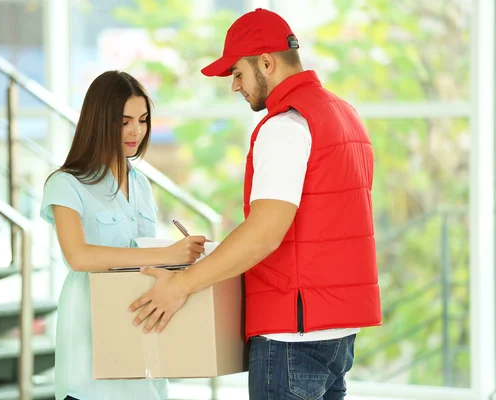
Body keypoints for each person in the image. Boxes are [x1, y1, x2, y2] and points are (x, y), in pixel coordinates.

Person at [129, 9, 382, 400]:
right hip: (338, 333)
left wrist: (179, 286)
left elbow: (264, 233)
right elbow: (322, 223)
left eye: (238, 73)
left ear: (267, 61)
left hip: (291, 336)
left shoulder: (286, 126)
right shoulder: (344, 116)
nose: (234, 86)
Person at [40, 70, 206, 400]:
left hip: (141, 330)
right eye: (124, 121)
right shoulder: (65, 184)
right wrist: (167, 254)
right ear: (100, 121)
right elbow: (79, 256)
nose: (136, 131)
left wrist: (185, 258)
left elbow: (141, 253)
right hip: (89, 340)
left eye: (143, 120)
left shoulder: (141, 184)